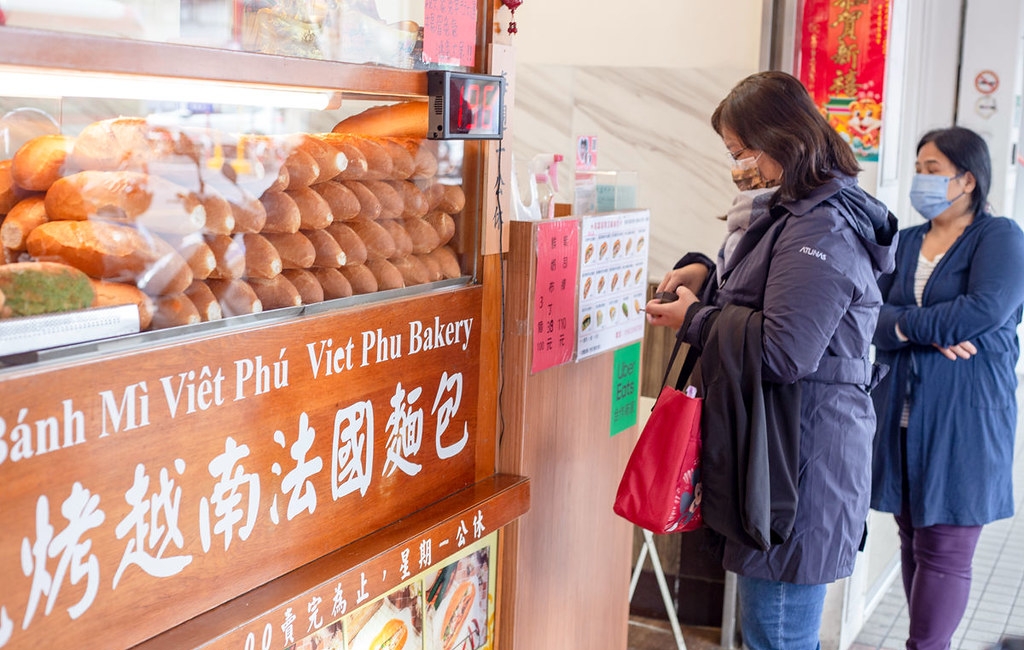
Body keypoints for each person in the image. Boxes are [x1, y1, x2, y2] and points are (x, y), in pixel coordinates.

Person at [645, 70, 898, 649]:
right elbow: (769, 296)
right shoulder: (799, 209)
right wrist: (706, 277)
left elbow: (784, 349)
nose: (740, 167)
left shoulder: (823, 225)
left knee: (777, 633)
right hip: (783, 449)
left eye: (742, 151)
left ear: (782, 138)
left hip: (800, 463)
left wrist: (696, 320)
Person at [870, 126, 1024, 650]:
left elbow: (985, 310)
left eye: (933, 169)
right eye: (920, 168)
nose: (921, 179)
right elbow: (867, 314)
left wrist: (905, 326)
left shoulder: (1000, 236)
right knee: (912, 536)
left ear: (968, 179)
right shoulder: (907, 240)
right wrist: (927, 328)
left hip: (966, 418)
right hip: (902, 416)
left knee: (947, 544)